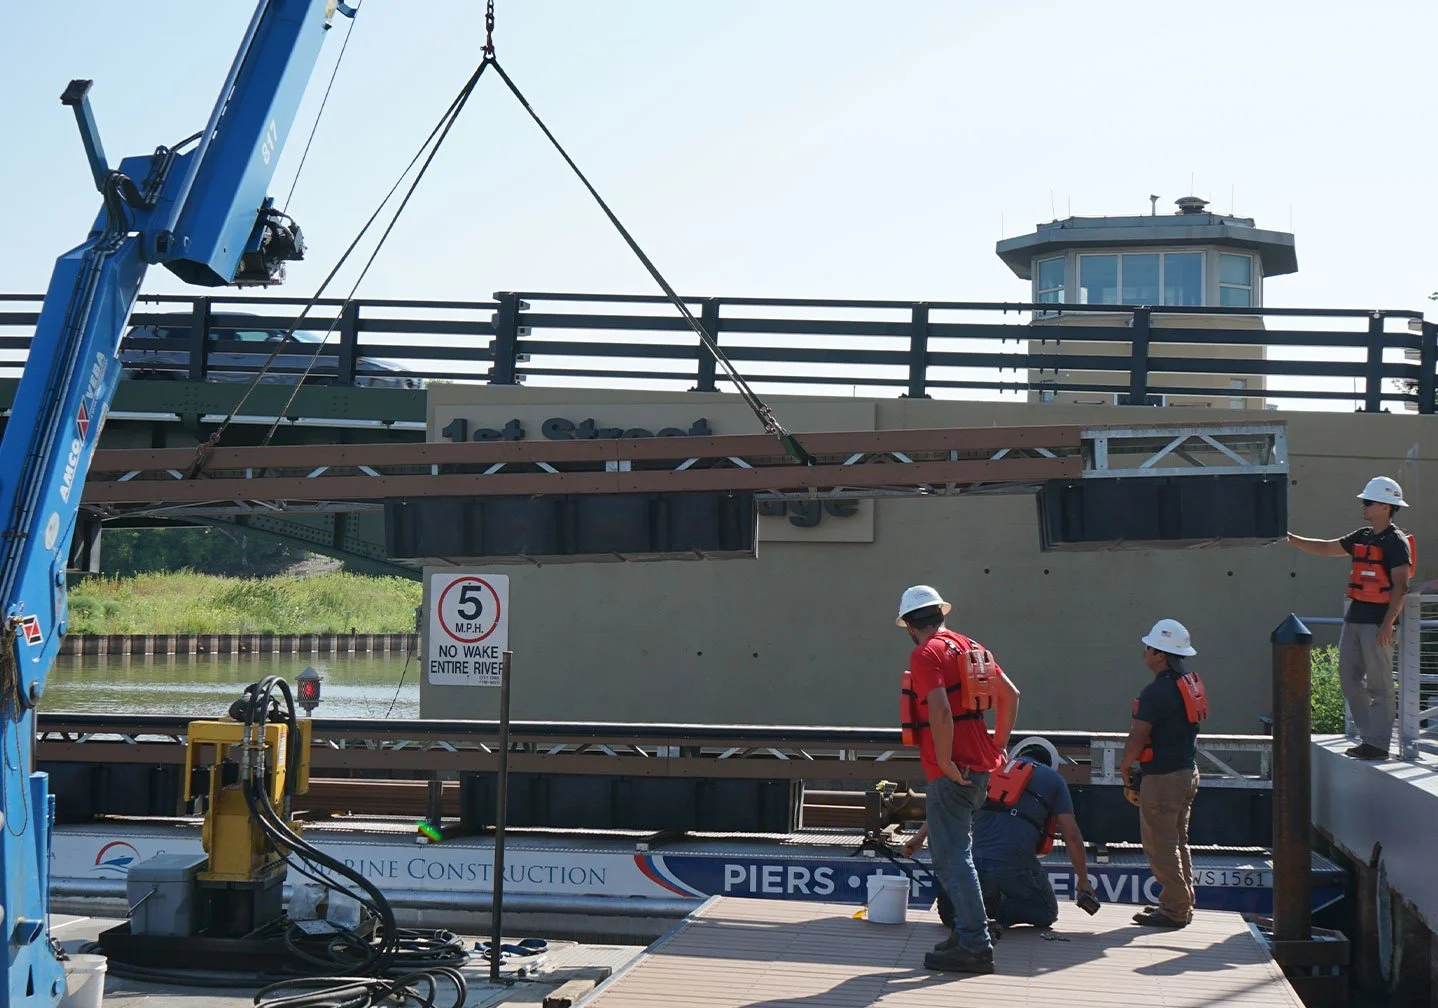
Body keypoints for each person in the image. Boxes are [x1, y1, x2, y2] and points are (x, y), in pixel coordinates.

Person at [895, 585, 1020, 975]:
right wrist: (999, 744)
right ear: (941, 614)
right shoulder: (971, 647)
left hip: (953, 771)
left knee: (953, 858)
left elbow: (941, 710)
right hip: (980, 765)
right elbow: (1011, 695)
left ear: (909, 625)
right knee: (953, 854)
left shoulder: (925, 654)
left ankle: (974, 944)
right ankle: (965, 932)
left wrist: (946, 761)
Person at [1286, 476, 1414, 760]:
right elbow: (1326, 547)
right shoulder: (1363, 536)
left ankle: (1378, 744)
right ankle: (1370, 738)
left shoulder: (1396, 542)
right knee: (1349, 679)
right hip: (1355, 618)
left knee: (1380, 685)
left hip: (1378, 623)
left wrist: (1387, 624)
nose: (1363, 506)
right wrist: (1292, 539)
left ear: (1385, 506)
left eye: (1368, 502)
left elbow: (1401, 586)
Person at [902, 745, 1095, 932]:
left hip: (975, 863)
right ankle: (998, 907)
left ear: (1017, 755)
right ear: (1049, 764)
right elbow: (1071, 834)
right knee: (1047, 911)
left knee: (967, 900)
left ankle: (966, 902)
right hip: (1016, 865)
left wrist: (919, 838)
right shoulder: (1054, 780)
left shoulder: (989, 770)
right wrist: (1083, 879)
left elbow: (950, 806)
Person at [1121, 618, 1205, 929]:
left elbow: (1138, 736)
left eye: (1148, 647)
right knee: (1177, 841)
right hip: (1186, 772)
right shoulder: (1187, 685)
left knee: (1160, 844)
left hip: (1163, 779)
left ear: (1159, 654)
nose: (1144, 651)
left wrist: (1124, 767)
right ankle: (1179, 903)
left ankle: (1174, 910)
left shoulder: (1156, 692)